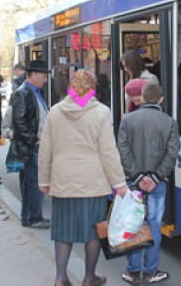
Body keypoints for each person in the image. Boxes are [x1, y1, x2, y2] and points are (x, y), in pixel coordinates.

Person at [38, 70, 128, 286]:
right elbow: (108, 151)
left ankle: (61, 277)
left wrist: (44, 179)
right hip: (93, 184)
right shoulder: (101, 112)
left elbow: (45, 149)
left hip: (63, 182)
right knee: (93, 233)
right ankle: (89, 277)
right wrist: (119, 183)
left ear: (70, 86)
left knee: (63, 231)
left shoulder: (55, 111)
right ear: (92, 87)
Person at [117, 82, 179, 285]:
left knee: (133, 224)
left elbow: (123, 151)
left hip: (133, 182)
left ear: (142, 97)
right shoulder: (169, 122)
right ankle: (151, 272)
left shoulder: (128, 120)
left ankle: (133, 272)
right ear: (161, 99)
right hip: (157, 183)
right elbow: (172, 154)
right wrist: (155, 178)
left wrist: (136, 177)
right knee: (153, 224)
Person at [6, 59, 51, 229]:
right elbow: (19, 121)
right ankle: (33, 217)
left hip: (35, 144)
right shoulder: (23, 92)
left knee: (30, 182)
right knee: (34, 182)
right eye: (43, 76)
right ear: (32, 75)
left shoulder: (33, 91)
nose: (45, 80)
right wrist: (34, 139)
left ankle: (29, 216)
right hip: (33, 145)